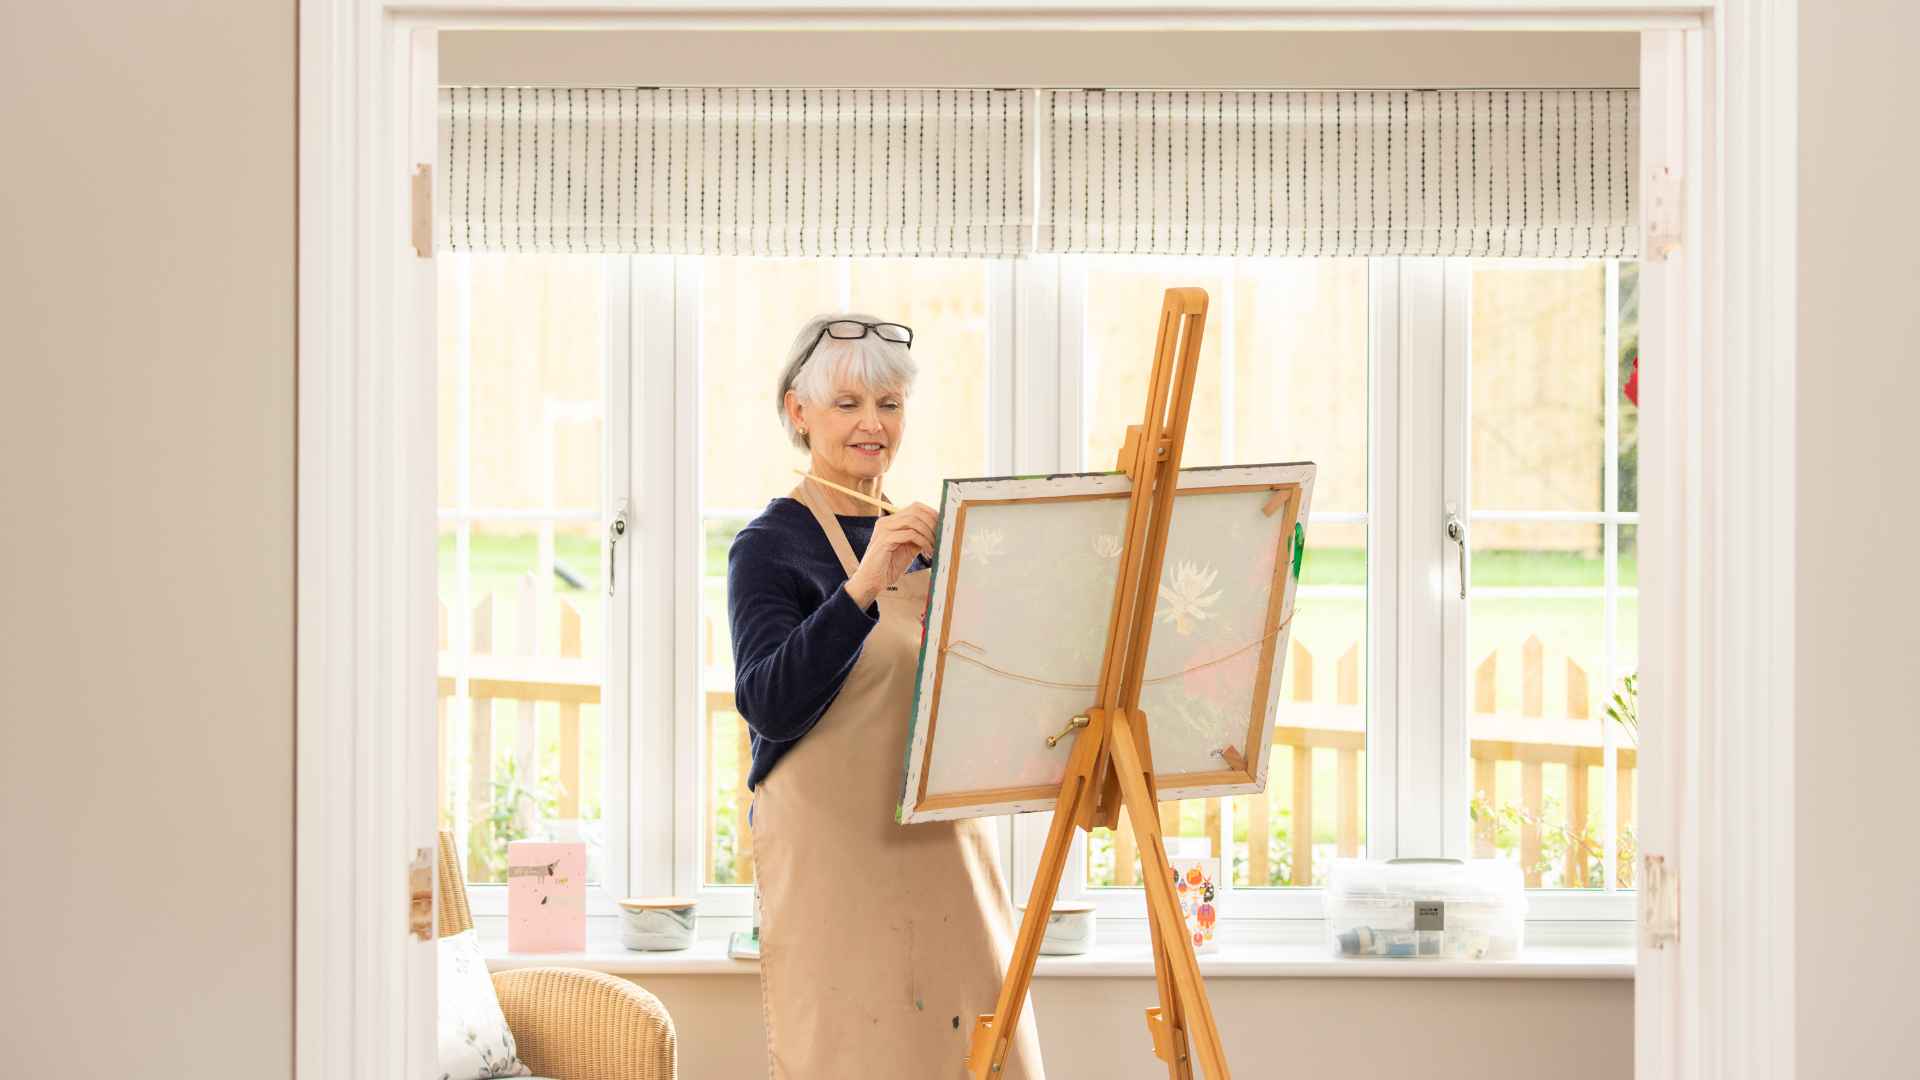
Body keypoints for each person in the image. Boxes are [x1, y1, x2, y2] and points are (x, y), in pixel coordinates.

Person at [728, 314, 1045, 1078]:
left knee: (980, 1054)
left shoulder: (935, 537)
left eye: (890, 405)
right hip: (838, 868)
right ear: (798, 413)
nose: (873, 424)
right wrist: (866, 583)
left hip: (945, 852)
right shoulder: (770, 546)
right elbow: (768, 701)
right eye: (848, 404)